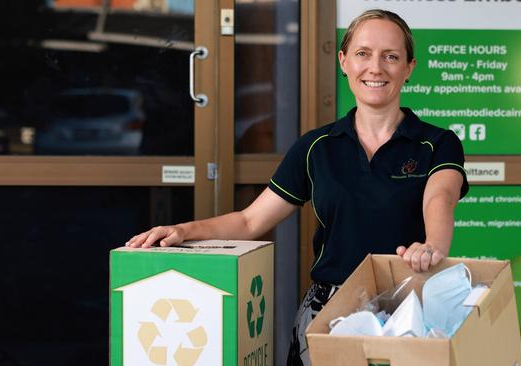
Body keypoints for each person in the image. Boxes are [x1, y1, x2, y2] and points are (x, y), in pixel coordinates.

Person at [126, 9, 468, 366]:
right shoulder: (316, 147)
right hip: (328, 313)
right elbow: (249, 222)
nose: (375, 67)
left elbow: (440, 198)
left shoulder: (437, 143)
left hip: (409, 308)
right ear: (344, 61)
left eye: (391, 56)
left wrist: (431, 248)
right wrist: (183, 230)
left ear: (409, 67)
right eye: (363, 54)